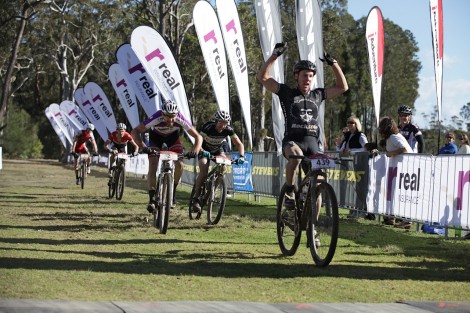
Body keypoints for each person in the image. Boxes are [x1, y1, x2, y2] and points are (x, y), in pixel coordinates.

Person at [256, 43, 348, 208]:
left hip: (313, 144)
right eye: (304, 75)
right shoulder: (286, 92)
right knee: (295, 157)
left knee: (319, 185)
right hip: (292, 141)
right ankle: (290, 192)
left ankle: (312, 228)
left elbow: (343, 87)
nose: (308, 79)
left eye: (311, 76)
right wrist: (274, 55)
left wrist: (333, 63)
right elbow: (262, 77)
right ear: (296, 76)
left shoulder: (318, 94)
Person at [131, 99, 203, 213]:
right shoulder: (156, 117)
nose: (171, 119)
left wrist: (195, 151)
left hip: (173, 139)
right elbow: (135, 131)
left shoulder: (179, 118)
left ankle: (172, 190)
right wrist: (143, 146)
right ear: (162, 114)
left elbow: (199, 137)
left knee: (179, 165)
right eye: (168, 116)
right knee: (153, 164)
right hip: (156, 139)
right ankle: (152, 199)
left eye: (173, 116)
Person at [190, 110, 245, 213]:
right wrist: (202, 151)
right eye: (220, 123)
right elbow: (198, 141)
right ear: (216, 121)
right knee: (204, 169)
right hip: (204, 149)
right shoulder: (208, 127)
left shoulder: (228, 129)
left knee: (223, 167)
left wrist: (241, 156)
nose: (222, 126)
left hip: (218, 150)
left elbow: (239, 144)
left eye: (225, 124)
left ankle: (214, 188)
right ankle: (196, 198)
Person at [378, 116, 413, 228]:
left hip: (405, 169)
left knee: (403, 194)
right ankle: (392, 218)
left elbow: (403, 148)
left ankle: (406, 221)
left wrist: (392, 153)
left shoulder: (393, 137)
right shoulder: (391, 138)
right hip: (399, 169)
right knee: (394, 193)